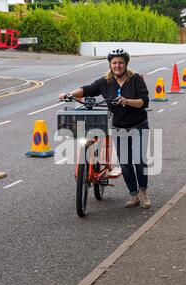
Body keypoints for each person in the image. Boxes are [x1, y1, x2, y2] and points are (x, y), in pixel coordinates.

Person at [59, 49, 151, 209]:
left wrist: (127, 101)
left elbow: (144, 101)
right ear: (110, 64)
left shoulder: (135, 79)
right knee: (125, 164)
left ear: (126, 64)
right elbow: (87, 89)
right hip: (119, 127)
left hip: (138, 125)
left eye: (121, 62)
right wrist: (69, 94)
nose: (117, 65)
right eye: (114, 62)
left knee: (139, 161)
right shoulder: (105, 81)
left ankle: (144, 192)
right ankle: (134, 196)